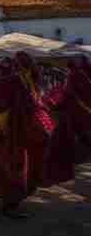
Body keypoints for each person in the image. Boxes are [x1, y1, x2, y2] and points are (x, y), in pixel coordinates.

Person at [0, 54, 54, 219]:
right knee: (16, 165)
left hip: (17, 131)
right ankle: (10, 204)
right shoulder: (17, 82)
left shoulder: (13, 82)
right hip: (14, 132)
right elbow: (4, 108)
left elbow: (1, 108)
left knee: (16, 164)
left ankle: (10, 202)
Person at [44, 55, 91, 186]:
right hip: (78, 114)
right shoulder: (80, 75)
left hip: (74, 115)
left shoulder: (76, 76)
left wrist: (55, 105)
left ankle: (56, 172)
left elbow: (71, 95)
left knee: (59, 142)